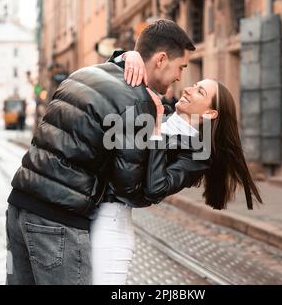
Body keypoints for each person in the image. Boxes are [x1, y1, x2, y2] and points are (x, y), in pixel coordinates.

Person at [5, 19, 196, 285]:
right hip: (57, 221)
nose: (179, 77)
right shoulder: (138, 100)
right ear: (161, 59)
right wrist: (159, 135)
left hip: (18, 206)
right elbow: (130, 189)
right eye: (181, 67)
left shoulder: (85, 73)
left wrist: (122, 56)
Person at [90, 52, 263, 285]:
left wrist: (157, 132)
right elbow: (109, 95)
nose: (189, 89)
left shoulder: (197, 156)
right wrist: (126, 57)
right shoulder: (162, 112)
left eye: (200, 92)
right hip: (85, 214)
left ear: (210, 113)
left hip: (110, 232)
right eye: (194, 85)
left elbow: (155, 188)